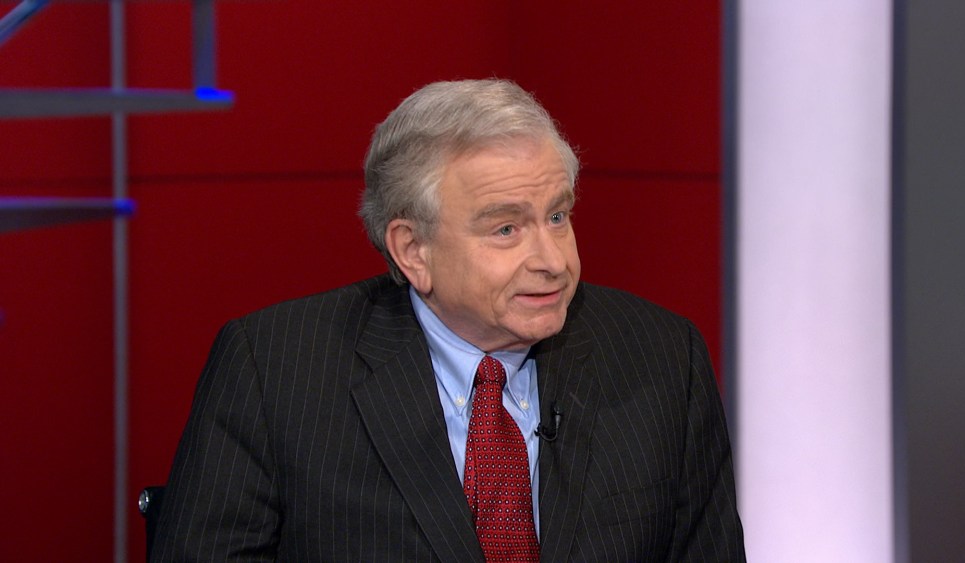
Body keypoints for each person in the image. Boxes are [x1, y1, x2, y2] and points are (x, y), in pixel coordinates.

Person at [151, 78, 745, 562]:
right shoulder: (275, 369)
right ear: (413, 251)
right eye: (506, 228)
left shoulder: (663, 355)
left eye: (557, 217)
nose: (552, 261)